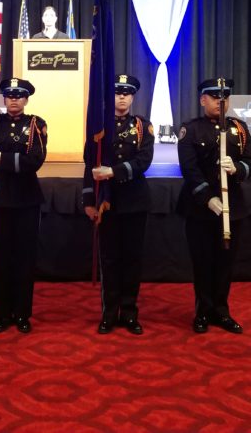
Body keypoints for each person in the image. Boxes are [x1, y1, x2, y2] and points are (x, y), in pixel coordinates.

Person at [177, 77, 251, 334]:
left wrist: (238, 168)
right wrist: (207, 198)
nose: (220, 102)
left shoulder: (240, 129)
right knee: (202, 262)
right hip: (200, 208)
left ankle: (221, 312)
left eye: (224, 98)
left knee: (225, 263)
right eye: (215, 97)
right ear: (203, 100)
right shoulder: (191, 129)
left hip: (231, 206)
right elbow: (189, 170)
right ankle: (202, 311)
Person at [83, 74, 155, 335]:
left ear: (133, 97)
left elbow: (143, 162)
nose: (122, 97)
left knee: (132, 260)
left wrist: (112, 172)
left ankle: (129, 313)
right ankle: (109, 313)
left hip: (134, 200)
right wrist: (89, 199)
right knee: (110, 260)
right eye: (117, 92)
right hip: (107, 202)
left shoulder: (142, 127)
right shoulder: (98, 128)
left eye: (127, 93)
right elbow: (89, 165)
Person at [0, 78, 47, 333]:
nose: (14, 99)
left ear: (27, 99)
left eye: (19, 95)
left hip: (27, 200)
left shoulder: (36, 124)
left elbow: (35, 160)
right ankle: (2, 313)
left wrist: (2, 158)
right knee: (1, 260)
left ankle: (22, 313)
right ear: (4, 99)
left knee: (25, 260)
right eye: (9, 95)